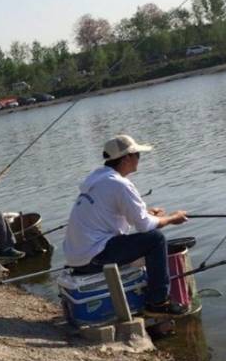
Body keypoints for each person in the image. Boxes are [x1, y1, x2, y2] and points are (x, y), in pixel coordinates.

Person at [63, 133, 189, 315]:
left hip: (77, 257)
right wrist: (172, 218)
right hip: (93, 257)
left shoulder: (98, 179)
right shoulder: (120, 184)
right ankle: (158, 302)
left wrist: (146, 213)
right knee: (156, 240)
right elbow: (144, 226)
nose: (139, 158)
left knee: (148, 238)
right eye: (137, 154)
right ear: (127, 158)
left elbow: (118, 214)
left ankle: (149, 293)